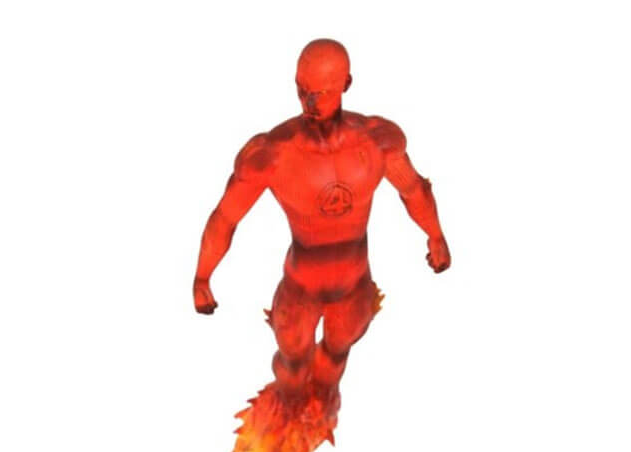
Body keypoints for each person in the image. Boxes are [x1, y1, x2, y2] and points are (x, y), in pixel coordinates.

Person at [193, 38, 451, 400]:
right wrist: (202, 277)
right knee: (291, 368)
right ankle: (285, 410)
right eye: (303, 90)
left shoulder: (378, 143)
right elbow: (225, 218)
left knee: (334, 360)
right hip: (301, 289)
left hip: (354, 284)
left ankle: (320, 410)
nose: (309, 103)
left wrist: (436, 236)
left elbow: (414, 190)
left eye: (321, 93)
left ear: (347, 84)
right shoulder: (272, 155)